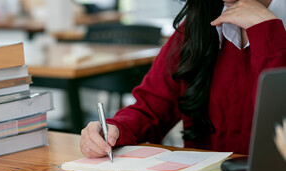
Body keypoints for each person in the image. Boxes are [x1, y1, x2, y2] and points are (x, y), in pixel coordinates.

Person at [80, 0, 286, 158]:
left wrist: (267, 31)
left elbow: (279, 119)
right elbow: (151, 109)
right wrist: (114, 129)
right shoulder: (198, 26)